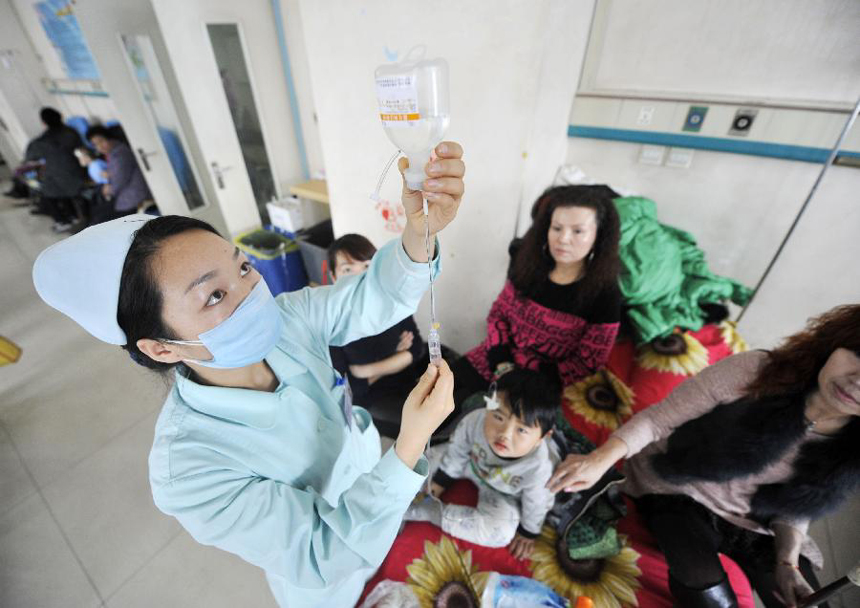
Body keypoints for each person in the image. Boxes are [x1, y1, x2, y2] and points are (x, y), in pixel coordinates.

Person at [31, 142, 466, 607]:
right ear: (160, 347)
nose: (251, 293)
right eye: (214, 296)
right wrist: (409, 445)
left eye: (242, 266)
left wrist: (420, 233)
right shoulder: (189, 470)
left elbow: (373, 297)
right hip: (331, 583)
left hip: (378, 487)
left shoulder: (289, 320)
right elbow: (322, 552)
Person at [547, 304, 860, 608]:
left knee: (804, 600)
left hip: (758, 523)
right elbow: (657, 420)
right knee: (705, 586)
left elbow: (796, 505)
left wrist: (787, 561)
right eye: (857, 355)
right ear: (834, 343)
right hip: (680, 487)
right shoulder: (758, 372)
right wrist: (600, 459)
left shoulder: (852, 449)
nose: (856, 381)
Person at [451, 185, 622, 405]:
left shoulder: (605, 294)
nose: (563, 239)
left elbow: (587, 362)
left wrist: (525, 374)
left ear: (599, 236)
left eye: (578, 231)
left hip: (543, 381)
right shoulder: (528, 266)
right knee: (435, 390)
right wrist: (502, 363)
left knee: (477, 417)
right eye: (557, 228)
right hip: (495, 359)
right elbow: (498, 315)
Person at [406, 367, 561, 560]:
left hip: (503, 491)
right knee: (417, 461)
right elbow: (457, 451)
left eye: (521, 430)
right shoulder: (475, 421)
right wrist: (440, 481)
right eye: (498, 417)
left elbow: (537, 502)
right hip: (471, 462)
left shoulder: (540, 468)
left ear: (542, 438)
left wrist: (529, 532)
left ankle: (431, 512)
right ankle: (396, 499)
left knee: (501, 531)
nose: (504, 434)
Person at [327, 234, 427, 435]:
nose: (360, 277)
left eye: (366, 266)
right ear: (333, 276)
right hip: (372, 398)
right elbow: (348, 388)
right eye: (348, 270)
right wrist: (396, 358)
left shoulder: (393, 302)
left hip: (407, 378)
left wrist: (365, 370)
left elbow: (417, 348)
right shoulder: (331, 322)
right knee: (422, 424)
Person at [24, 107, 87, 232]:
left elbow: (30, 157)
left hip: (58, 176)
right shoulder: (71, 132)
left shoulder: (42, 141)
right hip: (76, 172)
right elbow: (80, 147)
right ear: (61, 117)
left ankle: (62, 221)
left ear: (44, 122)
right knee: (61, 187)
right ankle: (72, 216)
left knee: (46, 190)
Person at [86, 125, 152, 224]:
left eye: (101, 141)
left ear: (110, 138)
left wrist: (107, 189)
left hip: (134, 197)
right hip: (125, 192)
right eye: (95, 145)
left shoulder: (120, 155)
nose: (99, 147)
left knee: (99, 220)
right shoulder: (114, 151)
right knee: (96, 212)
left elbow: (118, 184)